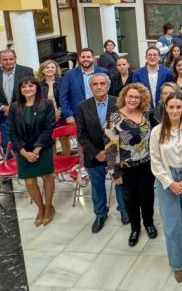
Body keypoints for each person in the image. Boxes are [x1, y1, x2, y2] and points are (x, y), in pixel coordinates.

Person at [150, 91, 182, 281]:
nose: (175, 110)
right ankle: (176, 263)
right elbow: (155, 161)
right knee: (172, 224)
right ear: (166, 108)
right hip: (166, 179)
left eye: (178, 107)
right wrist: (170, 182)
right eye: (171, 107)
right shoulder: (157, 131)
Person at [105, 83, 157, 247]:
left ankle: (148, 223)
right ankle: (135, 228)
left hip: (147, 164)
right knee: (130, 199)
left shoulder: (147, 114)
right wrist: (114, 172)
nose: (133, 99)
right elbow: (110, 146)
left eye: (137, 97)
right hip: (125, 168)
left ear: (142, 99)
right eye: (130, 96)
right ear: (124, 97)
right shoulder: (114, 118)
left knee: (147, 196)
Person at [76, 73, 128, 232]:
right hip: (93, 155)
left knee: (120, 183)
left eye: (102, 84)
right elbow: (81, 135)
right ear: (90, 87)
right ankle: (100, 214)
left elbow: (123, 130)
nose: (99, 87)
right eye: (95, 84)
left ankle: (124, 210)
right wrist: (96, 153)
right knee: (97, 186)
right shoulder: (82, 107)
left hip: (115, 152)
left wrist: (110, 152)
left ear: (108, 85)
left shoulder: (119, 103)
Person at [8, 76, 56, 226]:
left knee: (47, 177)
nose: (27, 89)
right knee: (29, 182)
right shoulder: (14, 107)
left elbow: (49, 128)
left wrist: (37, 150)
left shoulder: (47, 104)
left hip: (43, 148)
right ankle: (40, 208)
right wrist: (23, 152)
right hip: (23, 150)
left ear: (37, 88)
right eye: (24, 87)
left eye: (30, 86)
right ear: (20, 90)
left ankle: (48, 207)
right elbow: (11, 131)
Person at [0, 49, 34, 152]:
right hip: (2, 116)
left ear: (15, 59)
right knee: (7, 145)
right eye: (5, 59)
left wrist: (13, 107)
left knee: (26, 144)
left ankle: (26, 166)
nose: (8, 62)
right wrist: (3, 108)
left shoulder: (26, 71)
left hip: (23, 113)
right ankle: (10, 166)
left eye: (11, 59)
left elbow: (32, 92)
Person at [59, 48, 108, 124]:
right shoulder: (69, 74)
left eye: (88, 57)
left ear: (93, 59)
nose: (86, 59)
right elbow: (63, 96)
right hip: (78, 115)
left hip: (101, 112)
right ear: (79, 59)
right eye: (83, 57)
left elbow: (110, 92)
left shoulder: (103, 72)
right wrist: (68, 115)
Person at [37, 59, 68, 155]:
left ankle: (67, 158)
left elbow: (66, 97)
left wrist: (61, 111)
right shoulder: (38, 85)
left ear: (56, 69)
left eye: (52, 67)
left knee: (64, 137)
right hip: (47, 116)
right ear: (42, 70)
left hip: (61, 114)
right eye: (47, 67)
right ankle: (54, 162)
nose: (50, 69)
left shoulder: (62, 81)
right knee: (51, 138)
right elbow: (38, 102)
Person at [132, 46, 173, 115]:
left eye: (155, 55)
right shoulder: (137, 73)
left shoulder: (168, 72)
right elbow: (136, 92)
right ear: (145, 57)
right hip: (144, 111)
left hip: (164, 110)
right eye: (149, 55)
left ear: (159, 57)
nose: (152, 57)